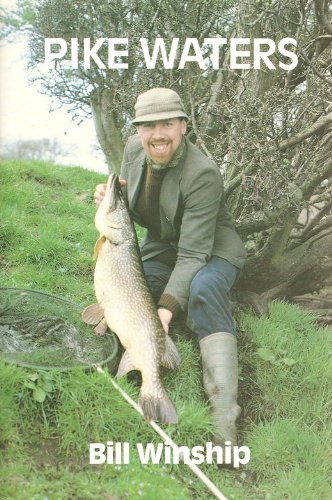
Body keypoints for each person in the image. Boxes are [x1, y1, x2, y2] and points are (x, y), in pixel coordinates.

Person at [94, 88, 247, 446]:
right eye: (148, 126)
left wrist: (165, 309)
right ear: (137, 130)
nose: (157, 134)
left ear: (183, 127)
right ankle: (132, 363)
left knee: (202, 289)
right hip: (165, 247)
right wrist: (107, 198)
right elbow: (131, 212)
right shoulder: (133, 149)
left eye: (167, 124)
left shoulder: (203, 173)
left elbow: (194, 254)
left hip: (212, 251)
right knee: (134, 283)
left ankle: (225, 416)